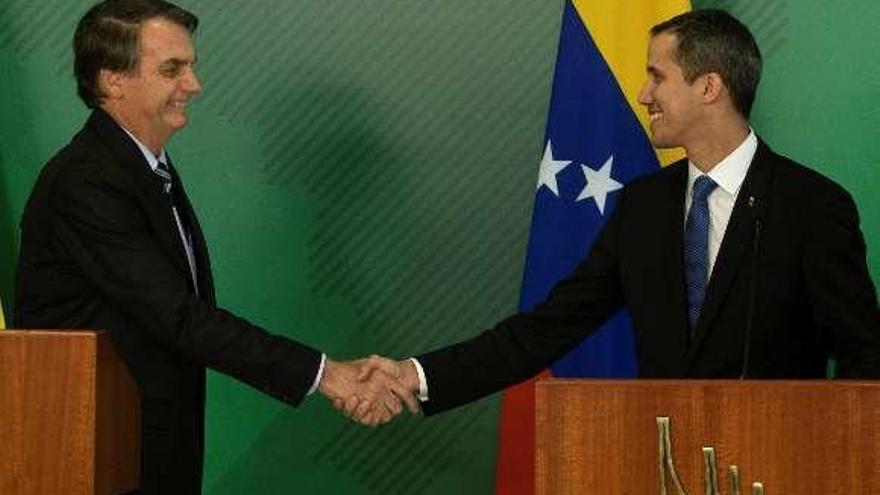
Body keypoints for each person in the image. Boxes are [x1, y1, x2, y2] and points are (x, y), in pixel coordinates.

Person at [347, 8, 880, 421]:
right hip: (657, 465)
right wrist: (414, 375)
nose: (644, 93)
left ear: (710, 86)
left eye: (657, 76)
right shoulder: (644, 206)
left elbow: (864, 360)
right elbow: (546, 329)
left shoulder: (812, 206)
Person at [14, 0, 414, 492]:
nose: (193, 85)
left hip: (148, 449)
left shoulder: (139, 168)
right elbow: (178, 317)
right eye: (171, 70)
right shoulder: (86, 181)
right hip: (96, 456)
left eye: (191, 66)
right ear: (112, 80)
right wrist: (327, 374)